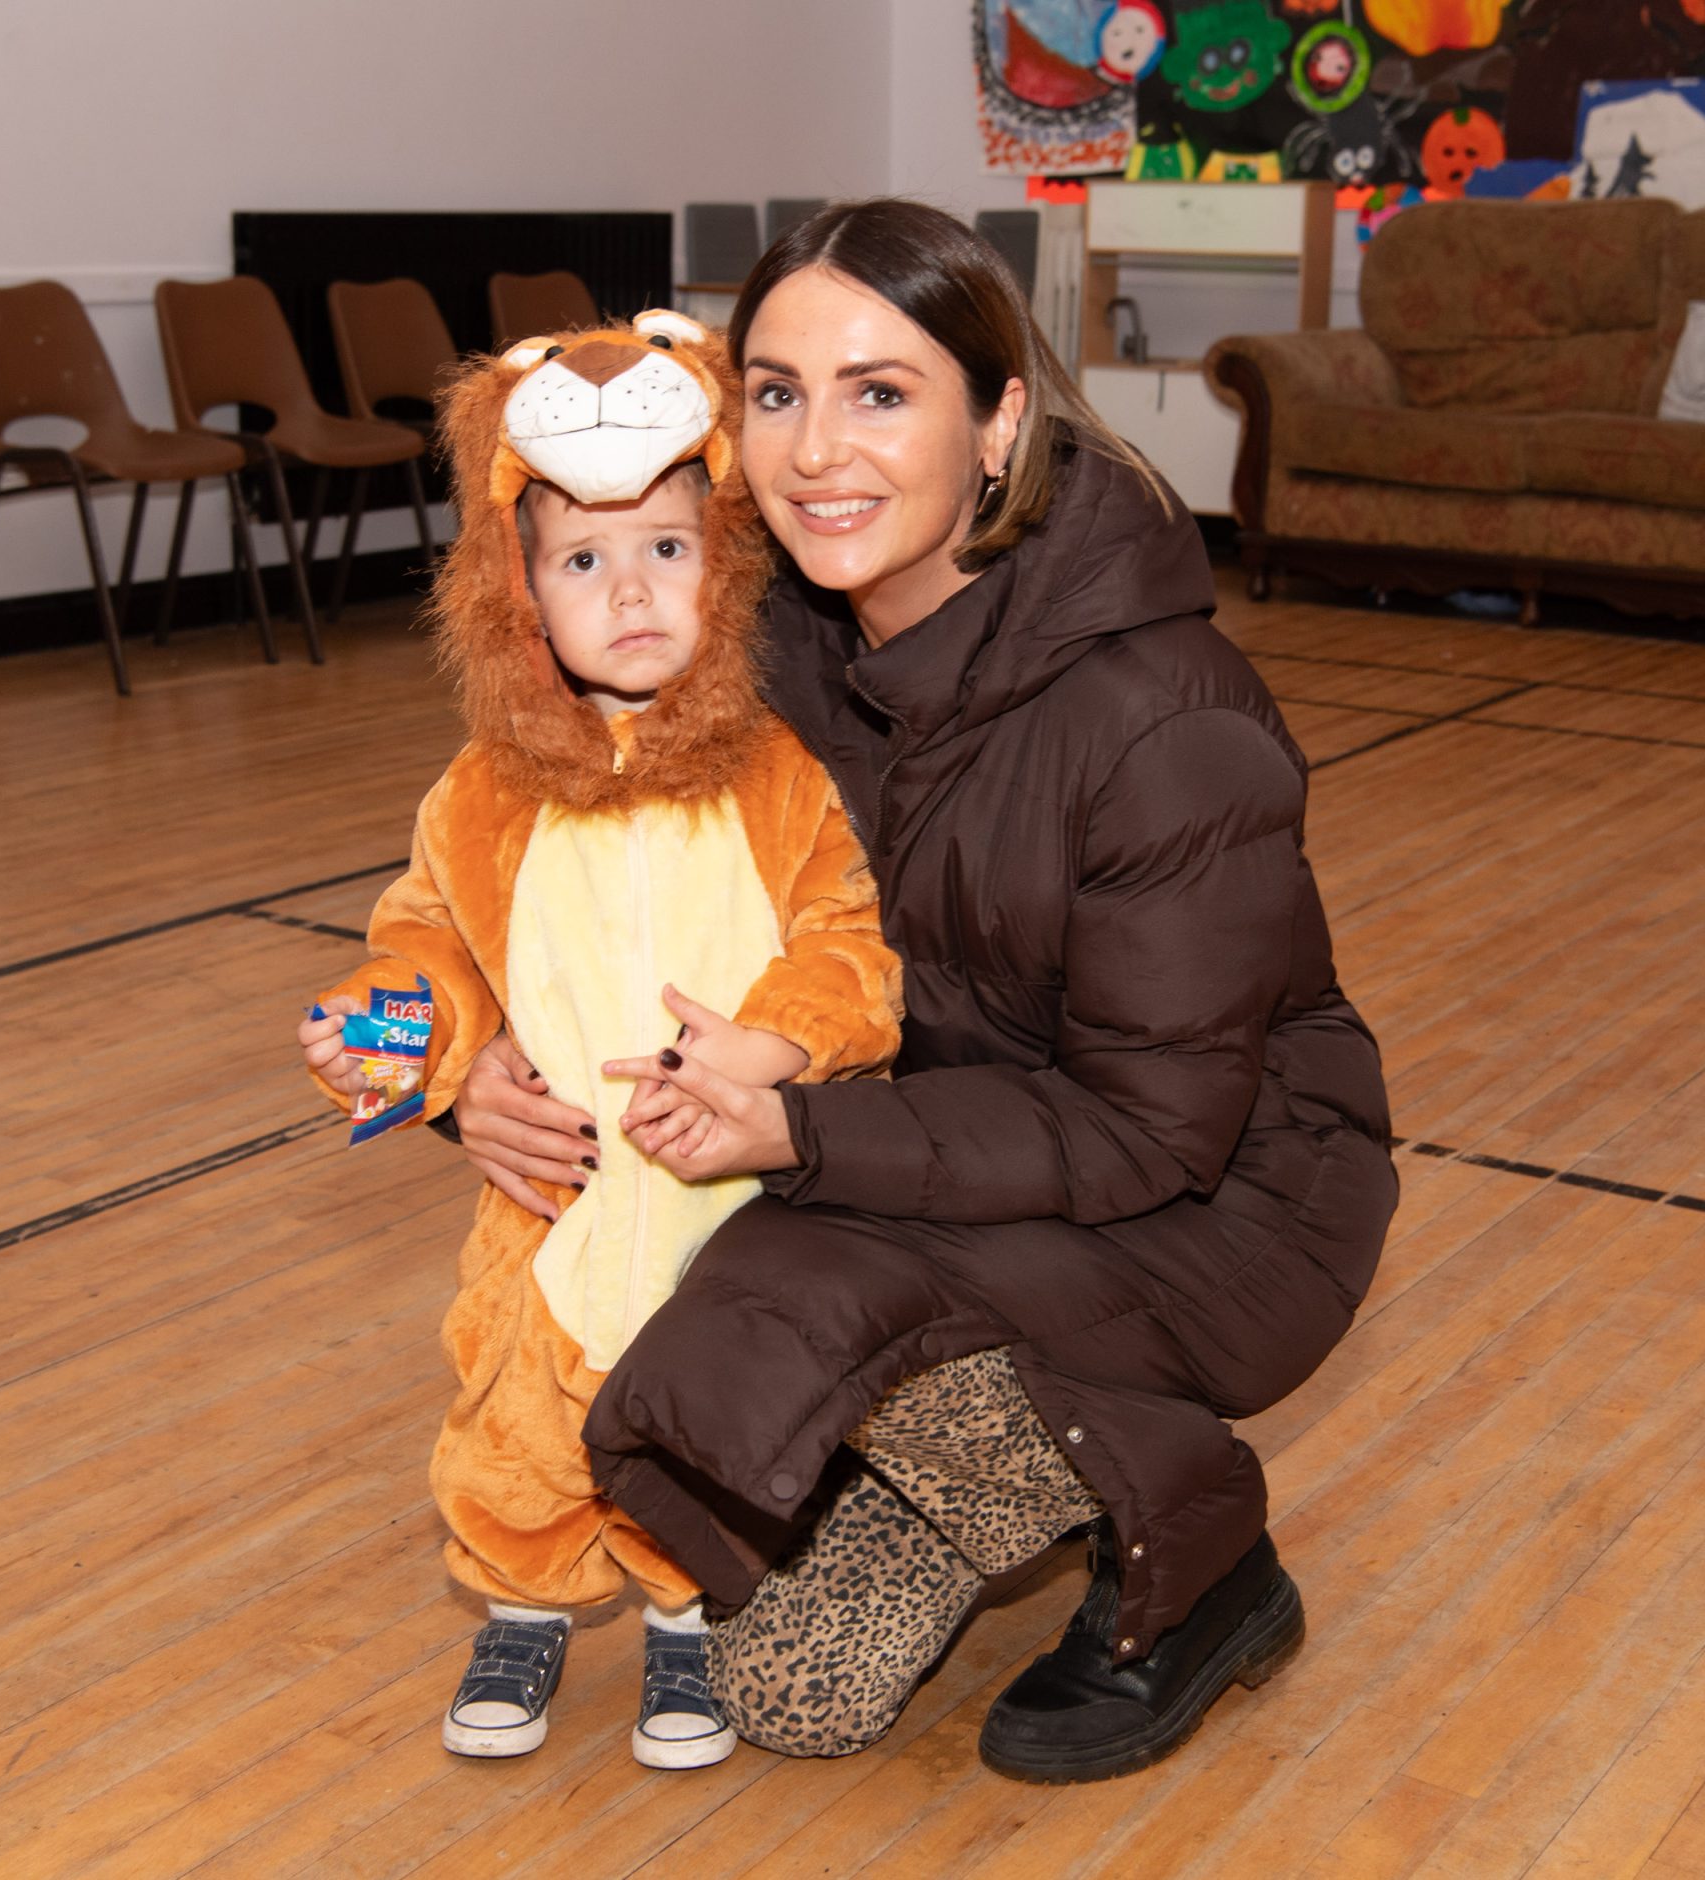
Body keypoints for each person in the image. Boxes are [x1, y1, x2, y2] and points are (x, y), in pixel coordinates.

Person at [450, 199, 1399, 1783]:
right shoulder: (752, 664)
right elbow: (569, 901)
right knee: (795, 1691)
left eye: (881, 392)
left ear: (1000, 419)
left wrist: (798, 1141)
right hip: (911, 1148)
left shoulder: (1165, 717)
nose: (817, 449)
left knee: (764, 1293)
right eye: (775, 391)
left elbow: (1151, 1128)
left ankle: (1194, 1550)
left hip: (1221, 1197)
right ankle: (962, 1440)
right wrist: (481, 1074)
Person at [298, 311, 901, 1772]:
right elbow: (424, 943)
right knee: (520, 1403)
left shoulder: (776, 776)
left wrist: (775, 1046)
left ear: (726, 566)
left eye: (668, 551)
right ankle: (521, 1600)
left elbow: (850, 940)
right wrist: (413, 1060)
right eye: (583, 562)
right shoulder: (483, 796)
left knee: (706, 1412)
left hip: (725, 1199)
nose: (630, 591)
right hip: (552, 1200)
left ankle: (688, 1617)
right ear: (520, 597)